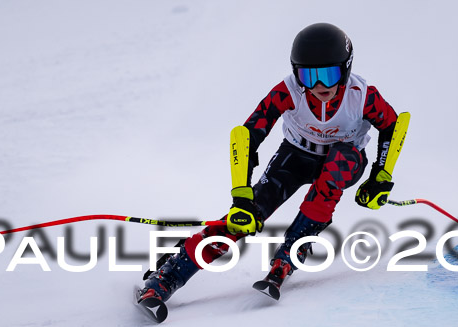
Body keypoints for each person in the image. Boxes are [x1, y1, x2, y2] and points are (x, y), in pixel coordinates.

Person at [138, 22, 400, 305]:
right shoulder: (288, 91)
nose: (320, 86)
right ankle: (167, 277)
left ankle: (289, 254)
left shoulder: (361, 96)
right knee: (244, 219)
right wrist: (242, 196)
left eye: (328, 74)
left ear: (346, 68)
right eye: (308, 76)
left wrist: (380, 177)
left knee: (337, 165)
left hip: (345, 160)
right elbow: (248, 134)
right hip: (296, 156)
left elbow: (393, 127)